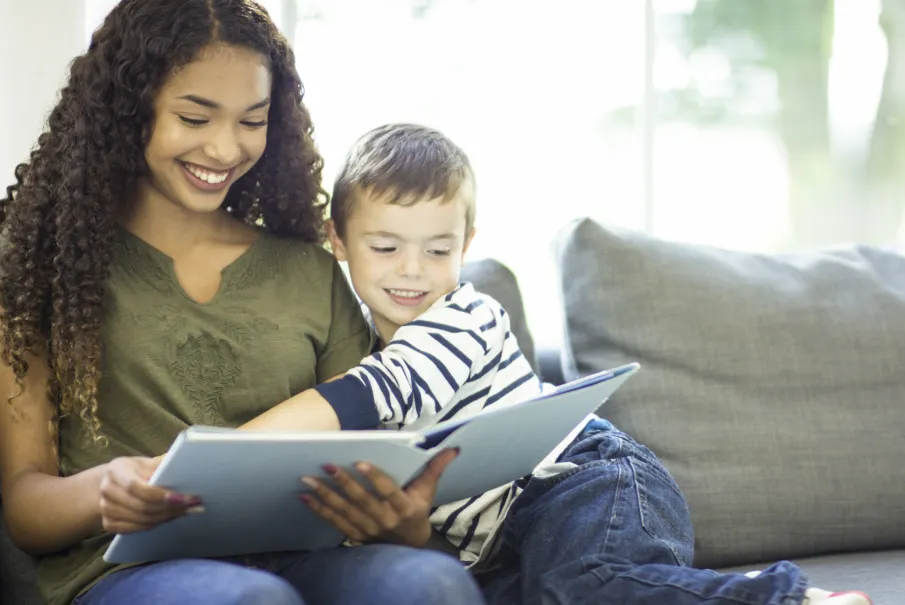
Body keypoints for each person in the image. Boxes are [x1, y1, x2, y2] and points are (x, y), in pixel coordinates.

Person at [250, 123, 874, 605]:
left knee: (584, 586)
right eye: (385, 247)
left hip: (582, 477)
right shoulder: (347, 339)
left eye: (437, 249)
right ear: (338, 240)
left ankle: (790, 597)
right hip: (503, 541)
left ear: (466, 245)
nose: (412, 269)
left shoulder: (465, 318)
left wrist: (218, 454)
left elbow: (361, 397)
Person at [0, 2, 485, 605]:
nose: (225, 149)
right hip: (130, 572)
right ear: (128, 111)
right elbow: (25, 506)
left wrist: (403, 523)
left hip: (306, 556)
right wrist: (103, 489)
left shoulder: (309, 270)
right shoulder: (40, 267)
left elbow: (367, 455)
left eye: (251, 121)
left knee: (430, 581)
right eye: (195, 117)